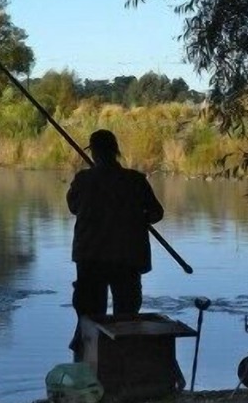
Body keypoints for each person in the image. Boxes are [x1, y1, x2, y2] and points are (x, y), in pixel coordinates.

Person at [67, 129, 164, 356]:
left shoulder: (83, 180)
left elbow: (73, 207)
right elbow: (156, 213)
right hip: (127, 258)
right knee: (127, 316)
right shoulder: (135, 180)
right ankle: (125, 360)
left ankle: (85, 358)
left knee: (90, 315)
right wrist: (139, 218)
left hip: (91, 257)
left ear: (95, 152)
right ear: (115, 151)